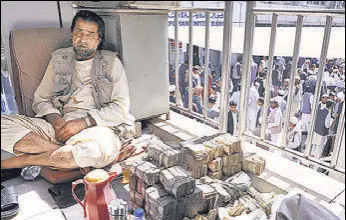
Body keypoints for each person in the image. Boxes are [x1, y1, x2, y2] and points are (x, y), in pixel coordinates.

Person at [1, 10, 135, 170]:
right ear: (72, 34)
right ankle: (65, 156)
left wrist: (83, 123)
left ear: (98, 40)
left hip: (96, 129)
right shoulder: (59, 59)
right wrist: (57, 122)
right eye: (79, 32)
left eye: (90, 34)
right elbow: (41, 99)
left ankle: (26, 160)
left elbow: (120, 108)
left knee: (93, 151)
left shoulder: (111, 63)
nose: (83, 39)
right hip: (58, 127)